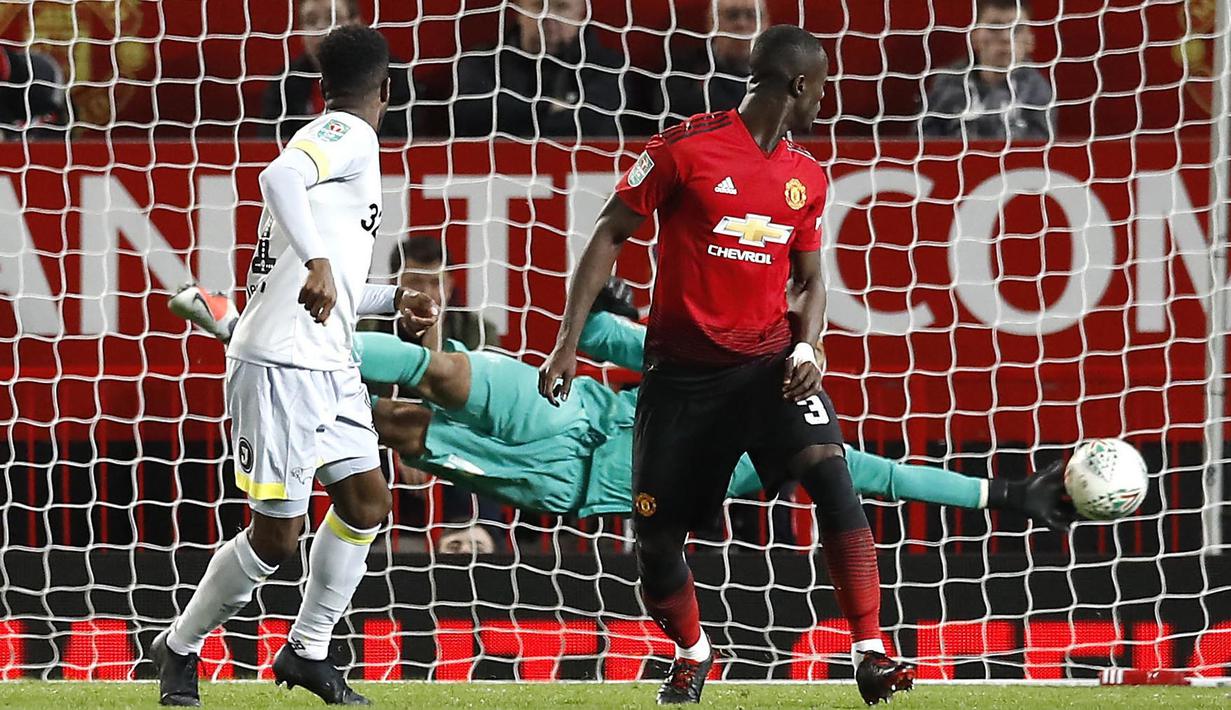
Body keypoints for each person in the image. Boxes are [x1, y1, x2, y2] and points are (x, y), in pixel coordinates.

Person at [537, 25, 912, 705]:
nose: (824, 100)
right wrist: (567, 342)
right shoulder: (683, 149)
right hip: (682, 379)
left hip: (768, 367)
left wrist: (811, 343)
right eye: (820, 87)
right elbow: (608, 232)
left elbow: (808, 279)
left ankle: (869, 651)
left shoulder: (806, 177)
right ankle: (691, 652)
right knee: (655, 538)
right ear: (798, 85)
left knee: (830, 471)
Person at [169, 280, 1077, 530]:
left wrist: (997, 497)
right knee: (444, 369)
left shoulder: (778, 450)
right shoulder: (716, 364)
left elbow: (876, 476)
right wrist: (608, 325)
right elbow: (610, 346)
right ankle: (253, 328)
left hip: (559, 481)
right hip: (578, 412)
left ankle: (284, 388)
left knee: (395, 426)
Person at [152, 26, 438, 707]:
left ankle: (307, 651)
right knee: (276, 537)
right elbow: (276, 175)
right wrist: (315, 262)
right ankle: (179, 645)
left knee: (366, 500)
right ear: (387, 91)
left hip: (326, 362)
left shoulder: (334, 157)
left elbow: (326, 284)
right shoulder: (346, 134)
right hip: (280, 366)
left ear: (318, 82)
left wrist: (393, 297)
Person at [452, 0, 624, 139]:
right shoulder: (481, 63)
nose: (547, 16)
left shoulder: (609, 66)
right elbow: (470, 116)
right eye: (537, 5)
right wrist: (547, 108)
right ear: (517, 10)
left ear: (582, 13)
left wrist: (515, 115)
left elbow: (595, 123)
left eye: (561, 7)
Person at [260, 0, 415, 142]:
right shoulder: (285, 83)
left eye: (333, 18)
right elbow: (269, 142)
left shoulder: (393, 75)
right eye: (311, 21)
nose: (321, 29)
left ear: (356, 23)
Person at [922, 0, 1052, 140]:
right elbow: (924, 141)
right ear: (975, 36)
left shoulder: (1037, 90)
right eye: (994, 27)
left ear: (1030, 40)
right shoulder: (947, 83)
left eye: (1017, 29)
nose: (1005, 37)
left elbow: (1041, 149)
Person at [661, 0, 766, 127]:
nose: (742, 24)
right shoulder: (682, 70)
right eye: (732, 15)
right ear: (711, 22)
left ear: (765, 23)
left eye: (751, 15)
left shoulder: (781, 72)